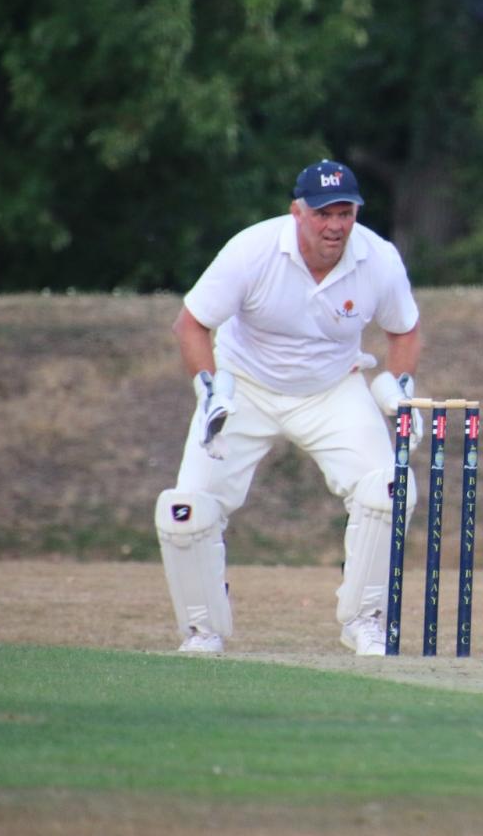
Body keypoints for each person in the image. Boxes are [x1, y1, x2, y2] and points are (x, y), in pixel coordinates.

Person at [153, 159, 422, 656]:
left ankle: (364, 620)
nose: (336, 225)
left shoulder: (377, 258)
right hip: (246, 386)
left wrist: (400, 387)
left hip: (332, 388)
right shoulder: (252, 250)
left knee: (390, 491)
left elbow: (403, 327)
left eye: (345, 213)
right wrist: (208, 389)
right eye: (323, 214)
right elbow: (190, 325)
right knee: (186, 512)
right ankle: (202, 630)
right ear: (296, 212)